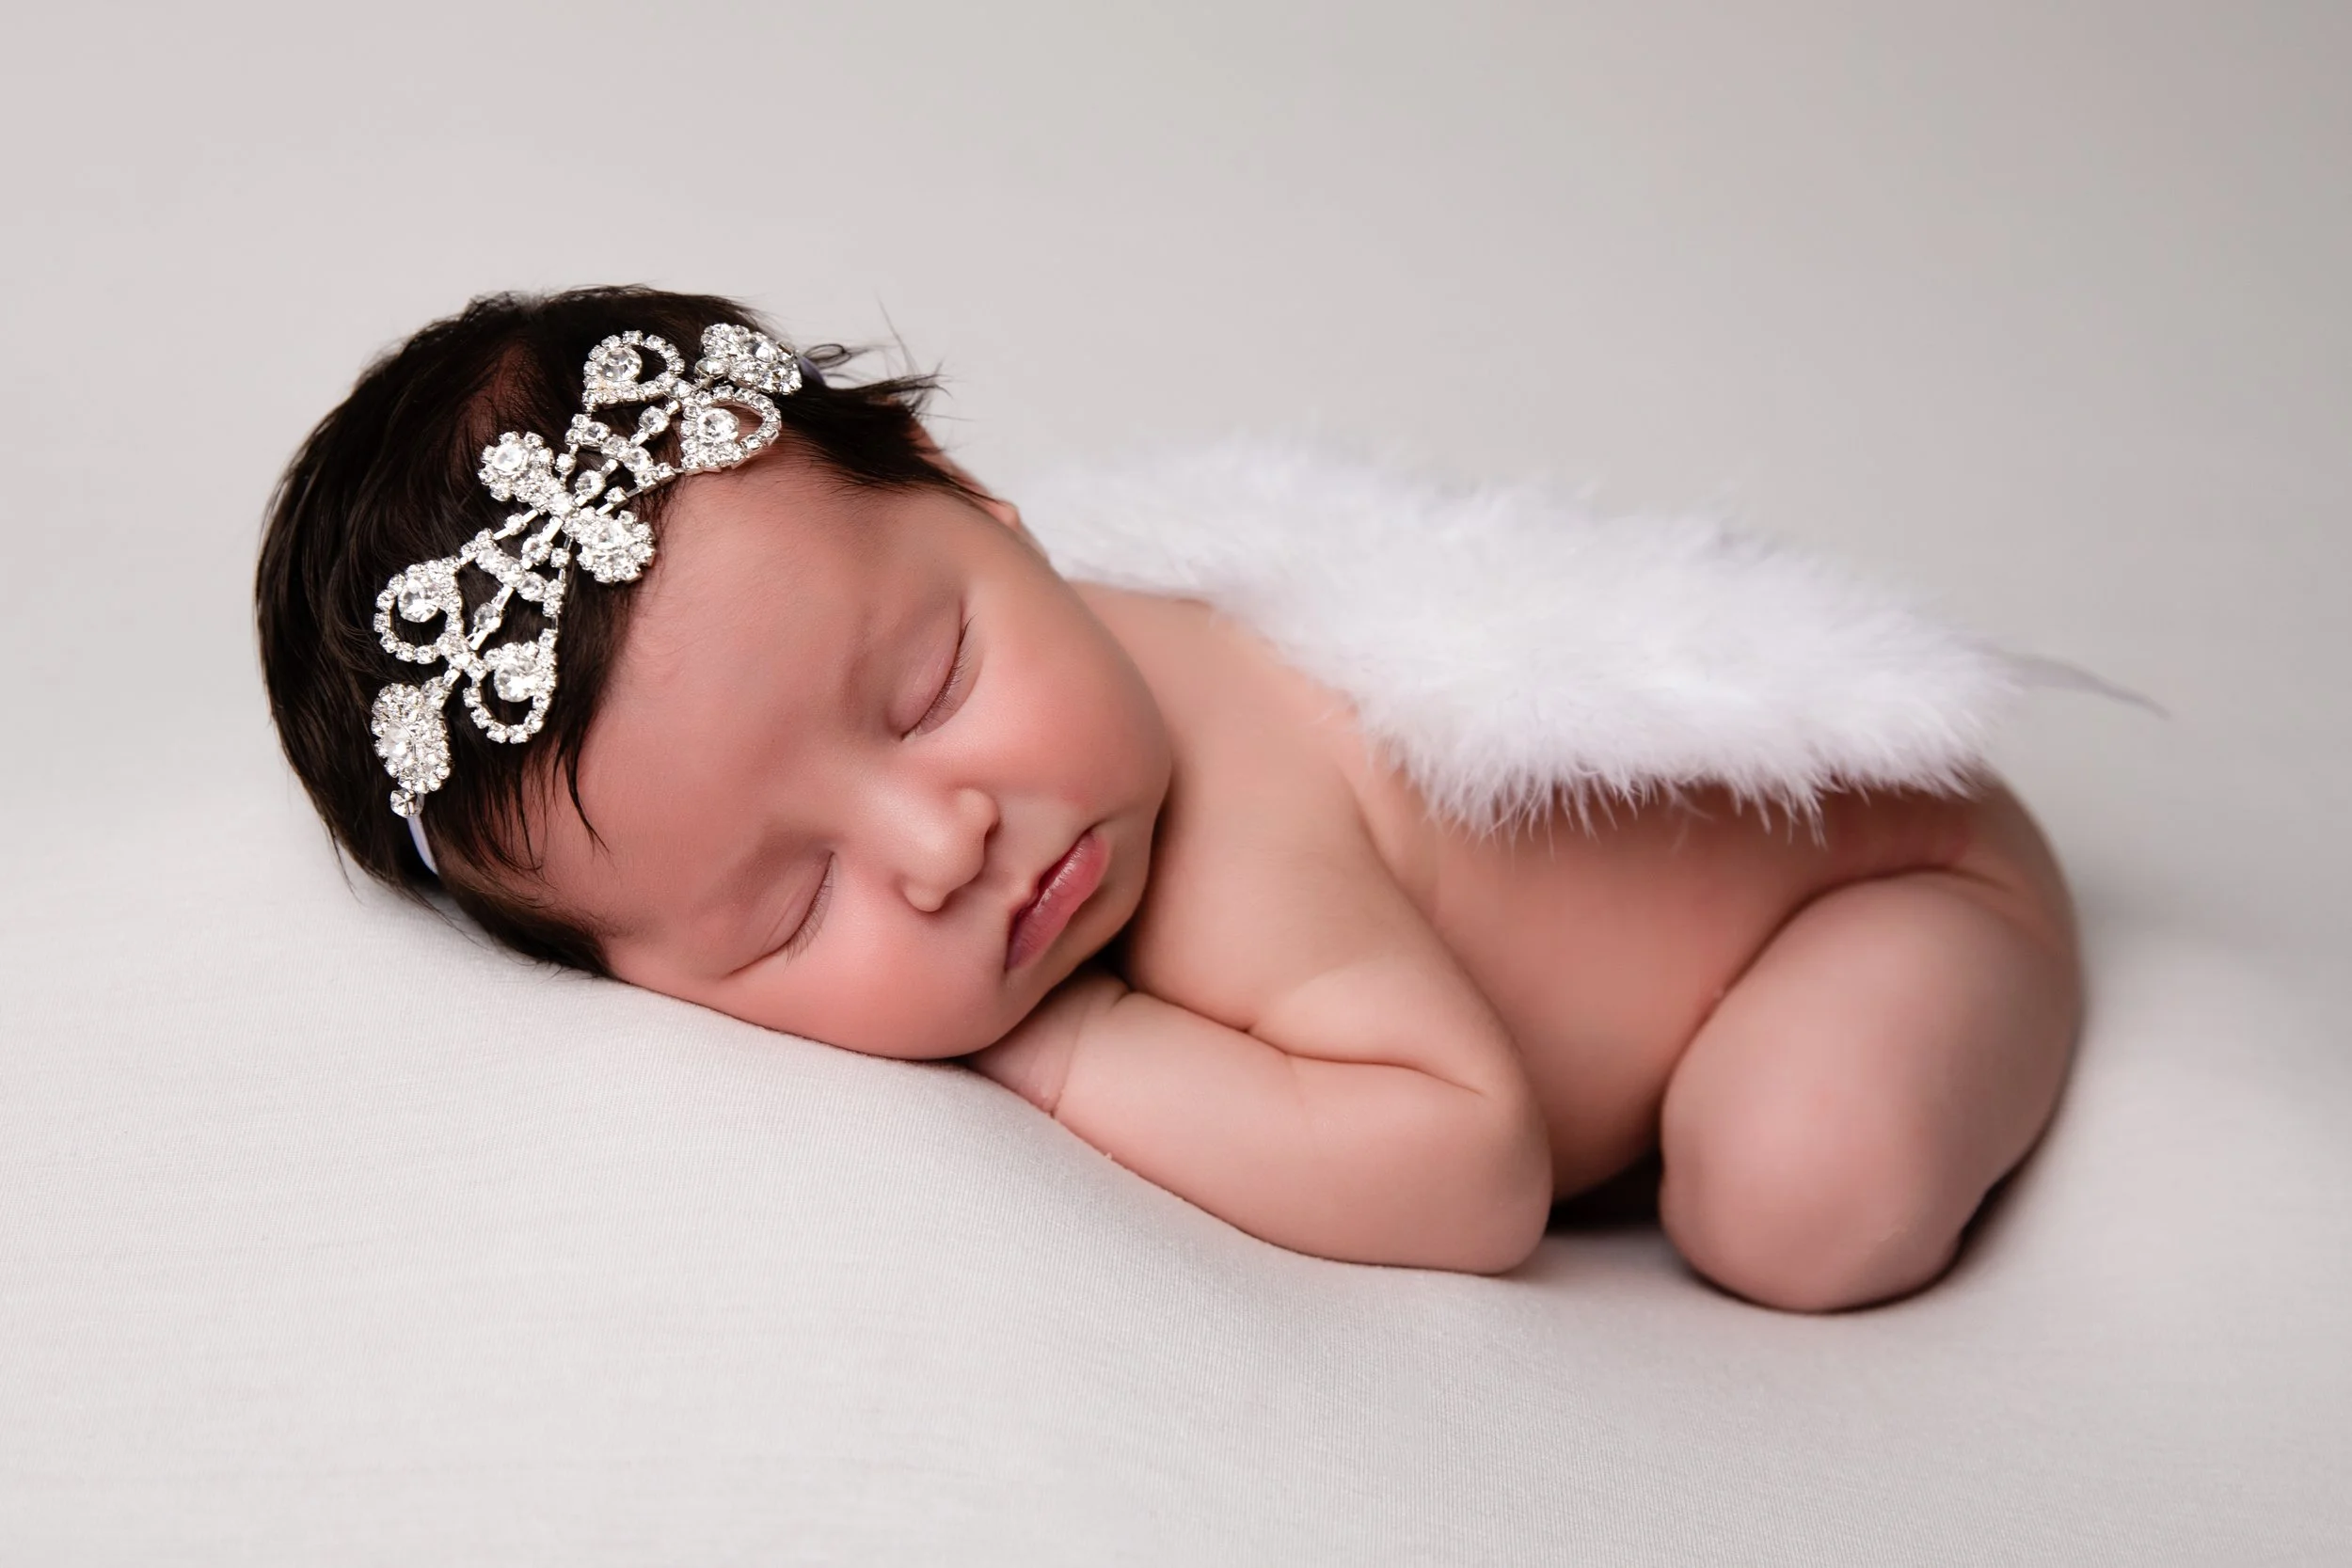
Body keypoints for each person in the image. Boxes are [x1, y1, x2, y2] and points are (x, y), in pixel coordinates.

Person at [256, 285, 2082, 1310]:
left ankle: (1996, 943)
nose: (939, 840)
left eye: (929, 684)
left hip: (1873, 890)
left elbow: (1468, 1163)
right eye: (784, 907)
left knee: (1787, 1195)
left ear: (979, 497)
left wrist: (1061, 1054)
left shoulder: (1228, 827)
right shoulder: (984, 706)